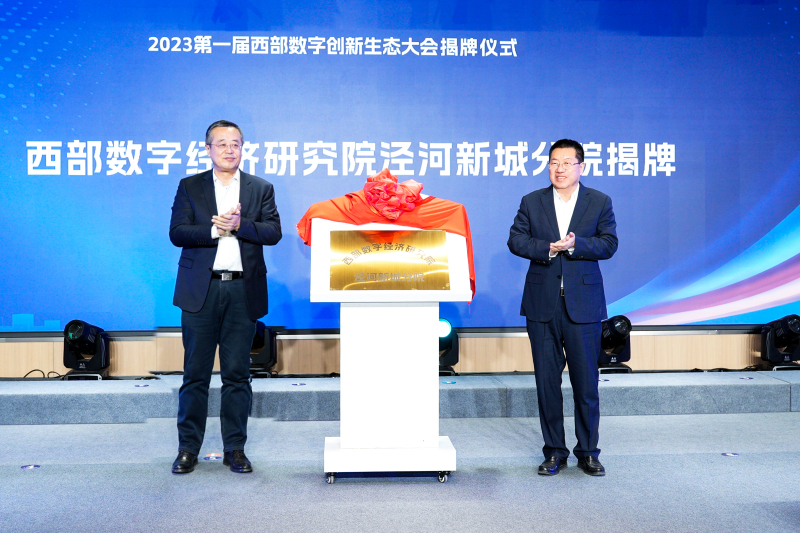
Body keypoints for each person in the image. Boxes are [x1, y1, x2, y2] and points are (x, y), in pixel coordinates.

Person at [169, 120, 282, 474]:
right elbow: (177, 233)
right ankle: (188, 449)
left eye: (236, 144)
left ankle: (235, 449)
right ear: (208, 149)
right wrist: (215, 230)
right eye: (222, 144)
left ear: (242, 148)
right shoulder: (190, 186)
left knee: (237, 375)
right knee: (195, 375)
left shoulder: (260, 188)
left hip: (241, 290)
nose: (229, 150)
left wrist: (240, 225)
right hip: (200, 291)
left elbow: (273, 232)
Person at [508, 139, 617, 477]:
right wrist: (549, 248)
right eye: (554, 162)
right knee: (547, 384)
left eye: (567, 162)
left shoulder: (599, 201)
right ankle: (554, 451)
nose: (559, 169)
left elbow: (609, 243)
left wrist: (574, 246)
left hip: (583, 307)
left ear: (581, 166)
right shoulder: (532, 201)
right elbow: (516, 240)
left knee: (586, 384)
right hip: (543, 306)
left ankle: (588, 452)